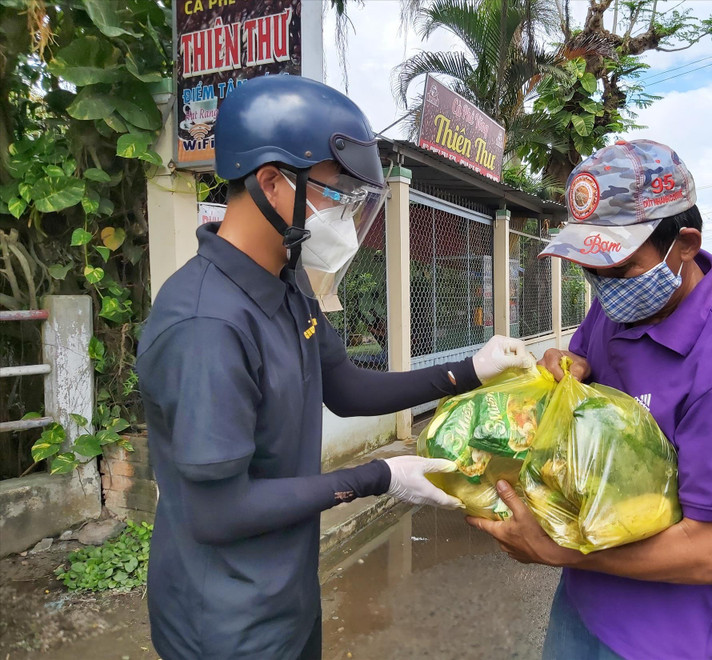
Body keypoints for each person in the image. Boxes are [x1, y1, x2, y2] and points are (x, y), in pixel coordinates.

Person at [135, 75, 533, 660]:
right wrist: (379, 476)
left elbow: (344, 388)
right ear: (272, 182)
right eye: (335, 193)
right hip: (223, 623)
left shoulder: (288, 281)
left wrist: (470, 370)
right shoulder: (207, 326)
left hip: (286, 595)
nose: (344, 215)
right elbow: (219, 510)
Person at [468, 139, 712, 659]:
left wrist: (557, 551)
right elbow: (582, 384)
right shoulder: (615, 311)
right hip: (583, 606)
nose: (603, 288)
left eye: (619, 268)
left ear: (684, 244)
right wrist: (571, 374)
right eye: (592, 271)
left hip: (661, 638)